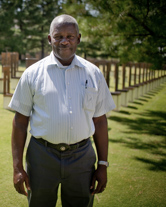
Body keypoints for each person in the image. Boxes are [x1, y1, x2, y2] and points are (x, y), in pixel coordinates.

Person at [9, 14, 115, 207]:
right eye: (58, 36)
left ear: (78, 39)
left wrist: (103, 164)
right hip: (41, 157)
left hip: (82, 157)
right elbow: (20, 121)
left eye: (70, 36)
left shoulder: (94, 74)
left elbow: (100, 121)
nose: (64, 41)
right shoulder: (32, 74)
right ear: (50, 39)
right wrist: (17, 167)